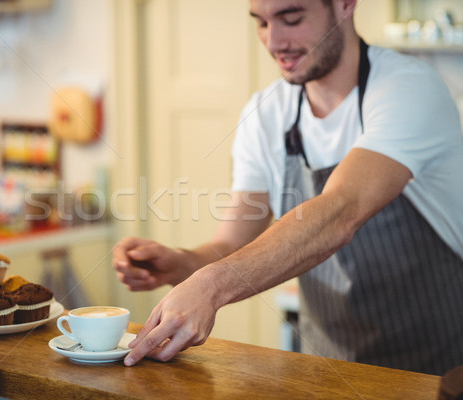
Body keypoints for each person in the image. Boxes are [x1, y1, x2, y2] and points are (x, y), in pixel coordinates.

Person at [113, 0, 463, 375]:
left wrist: (212, 286)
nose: (274, 40)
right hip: (325, 368)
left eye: (291, 18)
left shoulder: (407, 89)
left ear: (345, 5)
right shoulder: (266, 113)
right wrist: (181, 264)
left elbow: (341, 210)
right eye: (261, 23)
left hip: (431, 370)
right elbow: (232, 245)